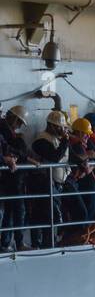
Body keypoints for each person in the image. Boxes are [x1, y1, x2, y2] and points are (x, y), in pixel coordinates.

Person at [27, 110, 70, 249]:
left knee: (50, 215)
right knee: (43, 215)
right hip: (42, 184)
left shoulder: (57, 140)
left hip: (56, 183)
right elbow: (54, 157)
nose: (62, 129)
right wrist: (65, 140)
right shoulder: (41, 140)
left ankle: (49, 242)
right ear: (51, 126)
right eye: (60, 127)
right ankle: (40, 244)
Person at [0, 105, 31, 250]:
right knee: (10, 211)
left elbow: (6, 147)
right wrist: (7, 159)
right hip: (8, 179)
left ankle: (7, 243)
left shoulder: (7, 133)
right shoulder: (5, 130)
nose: (18, 126)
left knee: (10, 212)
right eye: (18, 122)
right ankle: (10, 243)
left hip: (10, 179)